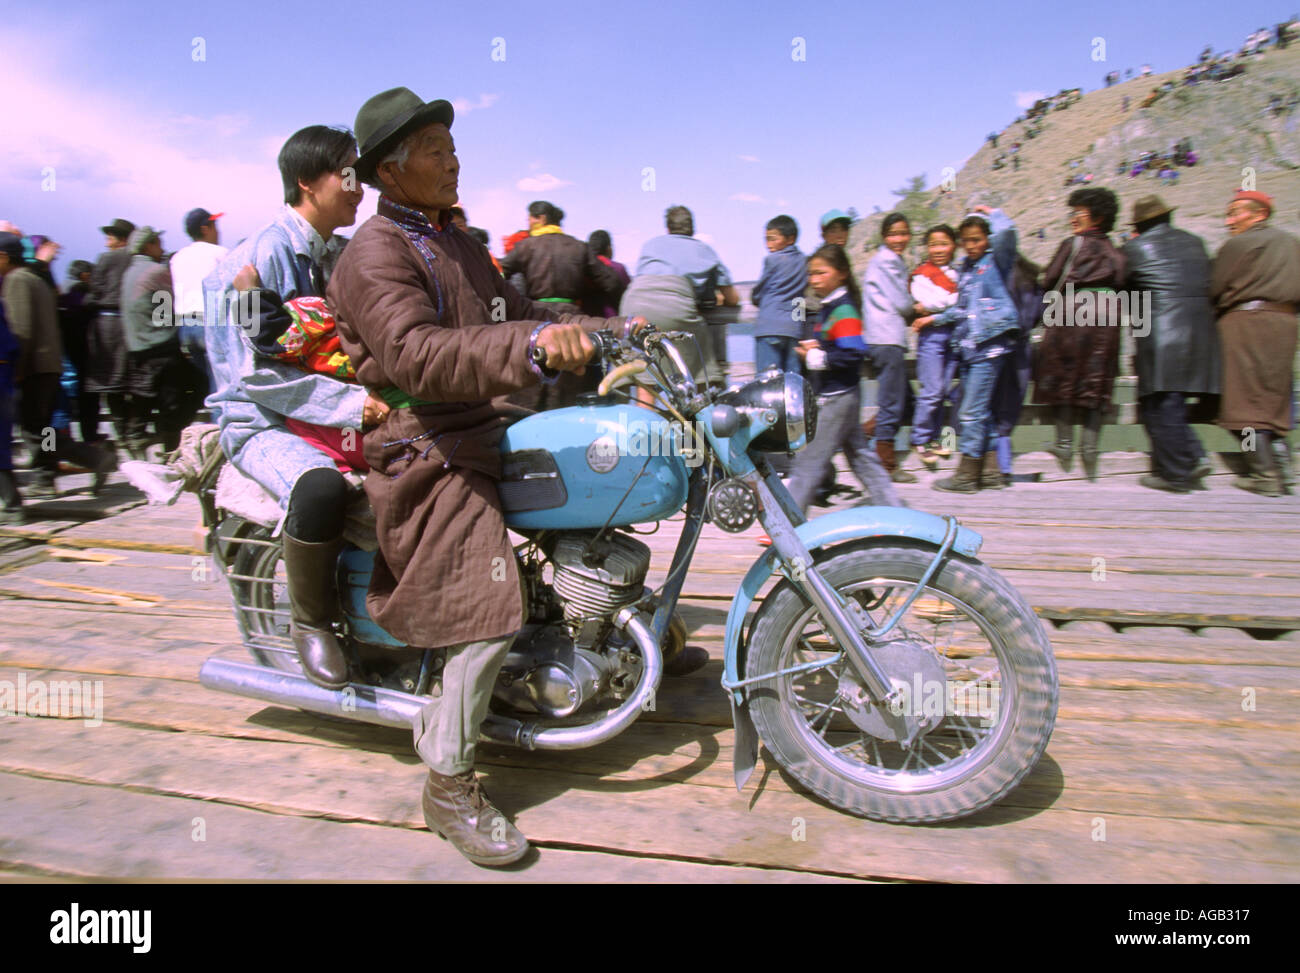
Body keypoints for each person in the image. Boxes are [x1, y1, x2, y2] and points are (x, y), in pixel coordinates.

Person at [326, 86, 663, 869]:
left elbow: (516, 311)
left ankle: (614, 619)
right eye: (437, 150)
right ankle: (447, 782)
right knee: (485, 599)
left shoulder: (458, 239)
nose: (454, 161)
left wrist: (614, 332)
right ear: (391, 168)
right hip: (423, 442)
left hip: (480, 423)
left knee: (599, 475)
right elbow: (418, 357)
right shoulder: (375, 251)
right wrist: (539, 347)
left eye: (452, 147)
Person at [204, 124, 381, 692]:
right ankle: (313, 624)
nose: (360, 187)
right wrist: (357, 404)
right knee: (321, 489)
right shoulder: (260, 256)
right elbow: (258, 378)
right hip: (262, 419)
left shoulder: (338, 251)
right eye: (348, 174)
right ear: (307, 181)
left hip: (319, 412)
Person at [779, 244, 900, 523]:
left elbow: (854, 351)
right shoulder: (833, 307)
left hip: (837, 397)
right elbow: (841, 346)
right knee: (861, 457)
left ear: (841, 274)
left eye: (822, 273)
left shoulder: (843, 309)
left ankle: (788, 525)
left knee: (808, 462)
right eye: (811, 274)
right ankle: (893, 512)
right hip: (847, 394)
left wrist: (818, 356)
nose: (815, 279)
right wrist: (819, 346)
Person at [917, 206, 1022, 493]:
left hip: (989, 346)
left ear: (987, 239)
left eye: (978, 239)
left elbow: (1008, 234)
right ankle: (990, 472)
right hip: (970, 347)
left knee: (969, 412)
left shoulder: (997, 262)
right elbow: (960, 309)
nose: (972, 245)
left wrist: (994, 212)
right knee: (982, 409)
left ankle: (966, 474)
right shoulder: (967, 270)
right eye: (967, 240)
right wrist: (933, 318)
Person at [1120, 196, 1219, 493]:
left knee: (1160, 404)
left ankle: (1177, 473)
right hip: (1202, 330)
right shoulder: (1196, 242)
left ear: (1139, 226)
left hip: (1162, 333)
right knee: (1171, 403)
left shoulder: (1134, 249)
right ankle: (1192, 455)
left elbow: (1125, 291)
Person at [1032, 188, 1127, 481]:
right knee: (1097, 380)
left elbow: (1049, 279)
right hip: (1108, 316)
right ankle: (1089, 450)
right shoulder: (1116, 251)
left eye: (1078, 213)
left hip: (1072, 312)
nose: (1072, 218)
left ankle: (1063, 444)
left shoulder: (1073, 245)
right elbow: (1124, 284)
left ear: (1096, 216)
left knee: (1063, 374)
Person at [1210, 189, 1300, 496]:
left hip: (1245, 323)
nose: (1229, 220)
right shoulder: (1292, 243)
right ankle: (1283, 468)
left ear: (1259, 214)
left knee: (1242, 402)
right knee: (1273, 397)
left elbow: (1215, 286)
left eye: (1235, 213)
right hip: (1285, 324)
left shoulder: (1239, 244)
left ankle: (1264, 475)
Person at [500, 201, 620, 407]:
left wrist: (500, 313)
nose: (528, 223)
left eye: (530, 218)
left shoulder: (525, 246)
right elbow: (611, 282)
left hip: (533, 321)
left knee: (531, 389)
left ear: (542, 219)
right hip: (572, 322)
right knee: (570, 394)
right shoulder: (578, 246)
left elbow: (498, 274)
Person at [623, 205, 738, 389]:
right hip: (674, 305)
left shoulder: (651, 245)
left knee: (646, 375)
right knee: (702, 370)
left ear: (668, 228)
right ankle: (700, 414)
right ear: (692, 228)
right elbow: (732, 298)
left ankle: (646, 414)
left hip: (633, 303)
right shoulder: (704, 250)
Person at [120, 226, 205, 456]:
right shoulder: (156, 271)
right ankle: (169, 449)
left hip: (138, 348)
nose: (162, 247)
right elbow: (169, 311)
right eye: (158, 242)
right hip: (162, 347)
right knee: (195, 388)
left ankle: (140, 436)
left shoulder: (129, 272)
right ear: (148, 245)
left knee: (154, 400)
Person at [0, 231, 64, 497]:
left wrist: (16, 369)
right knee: (40, 426)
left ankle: (45, 478)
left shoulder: (15, 281)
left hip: (32, 365)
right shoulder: (34, 278)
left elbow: (21, 328)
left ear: (4, 257)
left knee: (32, 428)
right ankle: (50, 474)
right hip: (48, 363)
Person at [862, 212, 917, 482]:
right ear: (885, 236)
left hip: (879, 338)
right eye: (894, 234)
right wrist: (924, 308)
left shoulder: (882, 260)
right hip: (888, 338)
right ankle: (886, 465)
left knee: (906, 400)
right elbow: (903, 303)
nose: (899, 239)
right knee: (893, 403)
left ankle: (864, 432)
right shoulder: (888, 262)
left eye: (904, 233)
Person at [908, 225, 960, 470]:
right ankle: (919, 438)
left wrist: (943, 306)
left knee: (943, 391)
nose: (938, 249)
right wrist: (952, 303)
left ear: (953, 246)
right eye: (933, 245)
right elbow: (936, 301)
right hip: (931, 337)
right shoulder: (921, 274)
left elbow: (939, 304)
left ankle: (934, 437)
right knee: (932, 389)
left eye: (944, 244)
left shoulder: (957, 274)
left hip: (953, 337)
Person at [86, 218, 136, 452]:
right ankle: (132, 429)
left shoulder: (106, 259)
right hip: (130, 323)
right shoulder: (136, 260)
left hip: (107, 324)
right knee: (128, 379)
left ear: (121, 239)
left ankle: (121, 431)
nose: (107, 243)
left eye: (110, 237)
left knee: (110, 381)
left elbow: (95, 289)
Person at [170, 208, 228, 384]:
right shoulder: (220, 253)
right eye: (214, 226)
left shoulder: (177, 257)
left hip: (185, 326)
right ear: (205, 229)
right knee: (221, 383)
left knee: (207, 378)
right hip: (210, 323)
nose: (218, 231)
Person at [751, 215, 807, 376]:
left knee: (767, 382)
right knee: (792, 381)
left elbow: (759, 292)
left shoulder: (772, 260)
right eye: (766, 240)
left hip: (769, 326)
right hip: (794, 328)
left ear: (790, 239)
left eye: (773, 239)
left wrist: (755, 297)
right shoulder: (805, 261)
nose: (768, 245)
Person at [58, 259, 98, 443]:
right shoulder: (81, 294)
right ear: (85, 276)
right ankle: (87, 437)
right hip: (79, 357)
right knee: (84, 399)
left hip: (60, 359)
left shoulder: (59, 292)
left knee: (55, 410)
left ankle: (52, 450)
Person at [582, 229, 629, 318]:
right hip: (613, 323)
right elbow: (628, 298)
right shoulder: (618, 268)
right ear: (608, 248)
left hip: (586, 324)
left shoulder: (582, 269)